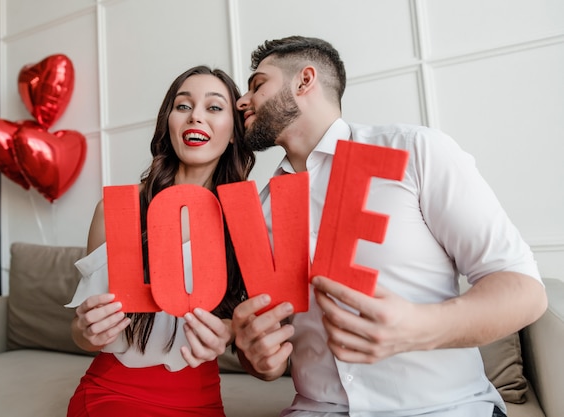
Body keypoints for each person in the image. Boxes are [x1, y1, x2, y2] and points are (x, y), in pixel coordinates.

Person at [231, 36, 547, 417]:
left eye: (257, 84)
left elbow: (525, 290)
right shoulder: (260, 208)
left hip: (446, 409)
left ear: (304, 80)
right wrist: (259, 361)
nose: (241, 101)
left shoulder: (416, 151)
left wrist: (418, 326)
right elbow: (271, 355)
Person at [65, 65, 255, 417]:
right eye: (183, 106)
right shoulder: (114, 210)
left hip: (198, 398)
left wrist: (228, 331)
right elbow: (84, 331)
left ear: (233, 133)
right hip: (112, 391)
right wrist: (83, 330)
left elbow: (248, 327)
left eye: (214, 107)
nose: (195, 116)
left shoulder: (244, 220)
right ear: (169, 123)